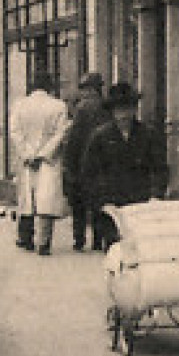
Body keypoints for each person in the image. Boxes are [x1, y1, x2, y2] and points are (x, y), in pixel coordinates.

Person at [80, 82, 168, 248]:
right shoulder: (100, 137)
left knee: (141, 250)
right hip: (111, 207)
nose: (123, 115)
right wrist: (101, 202)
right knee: (116, 251)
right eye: (119, 110)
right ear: (112, 112)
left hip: (141, 204)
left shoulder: (148, 135)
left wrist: (156, 195)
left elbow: (160, 168)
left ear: (134, 110)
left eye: (127, 110)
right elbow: (89, 173)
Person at [9, 73, 70, 256]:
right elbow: (60, 134)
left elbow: (15, 132)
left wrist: (28, 154)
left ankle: (25, 238)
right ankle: (43, 242)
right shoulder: (59, 106)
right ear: (50, 87)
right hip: (48, 160)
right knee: (46, 200)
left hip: (27, 160)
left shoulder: (19, 105)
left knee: (28, 198)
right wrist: (43, 154)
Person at [62, 73, 111, 251]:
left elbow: (74, 138)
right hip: (103, 161)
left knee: (79, 204)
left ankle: (79, 239)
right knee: (99, 202)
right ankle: (98, 240)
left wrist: (69, 164)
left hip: (83, 161)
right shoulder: (107, 106)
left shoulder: (82, 109)